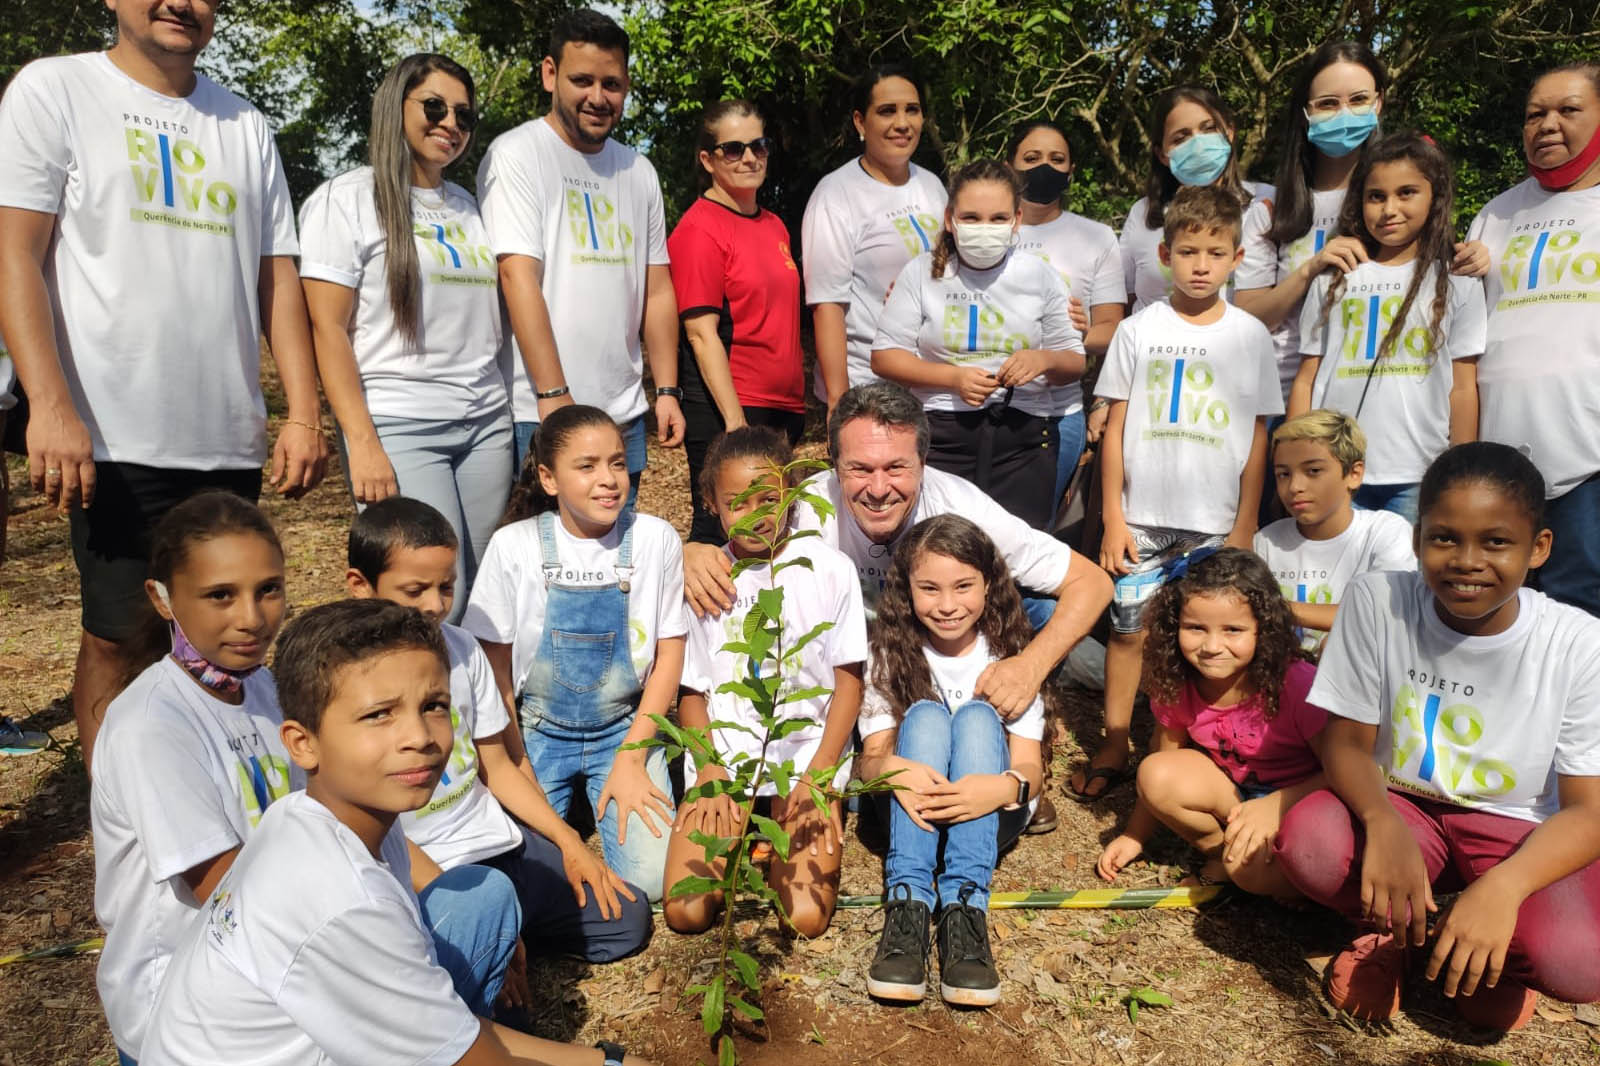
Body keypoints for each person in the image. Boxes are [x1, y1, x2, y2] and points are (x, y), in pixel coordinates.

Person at [0, 0, 329, 770]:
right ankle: (129, 830)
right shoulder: (55, 91)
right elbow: (15, 256)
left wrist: (304, 413)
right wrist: (48, 403)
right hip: (110, 434)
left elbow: (278, 277)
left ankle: (213, 798)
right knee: (120, 639)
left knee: (219, 637)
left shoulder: (244, 124)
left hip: (224, 434)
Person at [139, 599, 657, 1066]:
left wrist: (601, 1060)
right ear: (301, 744)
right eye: (378, 715)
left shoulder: (322, 819)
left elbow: (450, 1029)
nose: (420, 738)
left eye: (433, 705)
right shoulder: (343, 899)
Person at [1274, 443, 1600, 1030]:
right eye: (1444, 537)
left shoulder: (1579, 644)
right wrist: (1381, 821)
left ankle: (1490, 955)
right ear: (1418, 535)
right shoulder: (1378, 601)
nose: (1466, 560)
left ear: (1538, 549)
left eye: (1496, 541)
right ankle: (1388, 937)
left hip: (1514, 828)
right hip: (1404, 804)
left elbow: (1588, 812)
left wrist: (1504, 890)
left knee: (1578, 961)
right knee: (1313, 844)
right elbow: (1346, 744)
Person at [345, 497, 653, 962]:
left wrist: (567, 841)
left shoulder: (464, 650)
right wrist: (462, 905)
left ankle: (509, 934)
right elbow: (366, 829)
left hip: (495, 843)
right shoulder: (343, 680)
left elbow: (497, 766)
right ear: (361, 586)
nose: (435, 605)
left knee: (628, 919)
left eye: (446, 587)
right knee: (493, 1008)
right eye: (414, 590)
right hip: (423, 868)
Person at [1072, 185, 1282, 802]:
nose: (1200, 265)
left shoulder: (1249, 336)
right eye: (1188, 251)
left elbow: (1259, 436)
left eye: (1214, 254)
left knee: (1208, 637)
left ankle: (1193, 746)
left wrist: (1245, 524)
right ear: (1164, 253)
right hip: (1143, 520)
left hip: (1216, 521)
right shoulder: (1139, 331)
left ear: (1236, 258)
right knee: (1129, 629)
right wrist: (1113, 517)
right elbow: (1111, 429)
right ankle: (1115, 738)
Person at [300, 54, 512, 619]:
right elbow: (328, 329)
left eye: (464, 116)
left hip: (486, 422)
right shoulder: (343, 200)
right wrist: (362, 440)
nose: (451, 125)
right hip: (400, 422)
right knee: (426, 589)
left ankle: (476, 704)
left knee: (486, 585)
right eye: (435, 107)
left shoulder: (469, 207)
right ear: (396, 106)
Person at [89, 493, 298, 1063]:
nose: (251, 619)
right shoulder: (151, 724)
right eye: (220, 596)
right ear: (162, 599)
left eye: (268, 589)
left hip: (275, 967)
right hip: (191, 1016)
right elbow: (224, 890)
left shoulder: (264, 688)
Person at [464, 406, 683, 900]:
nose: (607, 480)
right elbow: (494, 676)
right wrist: (518, 767)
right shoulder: (512, 546)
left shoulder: (654, 539)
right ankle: (576, 800)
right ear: (548, 477)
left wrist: (632, 759)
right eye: (586, 467)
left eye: (616, 462)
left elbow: (670, 654)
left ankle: (605, 786)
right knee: (524, 876)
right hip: (537, 732)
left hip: (624, 729)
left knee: (651, 883)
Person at [663, 428, 867, 938]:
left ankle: (767, 833)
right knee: (686, 914)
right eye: (737, 503)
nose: (756, 514)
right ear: (711, 503)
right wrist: (708, 768)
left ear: (792, 493)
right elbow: (692, 694)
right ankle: (746, 827)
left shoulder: (830, 571)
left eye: (769, 499)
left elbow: (848, 683)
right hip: (728, 760)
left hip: (804, 759)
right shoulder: (706, 579)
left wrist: (819, 775)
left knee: (804, 919)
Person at [477, 8, 683, 494]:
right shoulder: (517, 155)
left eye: (611, 83)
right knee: (547, 560)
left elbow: (656, 290)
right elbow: (517, 278)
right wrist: (555, 396)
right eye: (581, 80)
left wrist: (666, 390)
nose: (597, 97)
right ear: (550, 74)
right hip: (541, 411)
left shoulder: (638, 170)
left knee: (615, 558)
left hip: (624, 414)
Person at [857, 515, 1046, 1008]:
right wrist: (894, 771)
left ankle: (966, 905)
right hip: (910, 809)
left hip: (986, 811)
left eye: (963, 586)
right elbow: (871, 761)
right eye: (930, 588)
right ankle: (909, 902)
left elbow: (1030, 769)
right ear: (907, 589)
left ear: (989, 585)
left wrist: (999, 789)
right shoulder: (888, 650)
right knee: (924, 717)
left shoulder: (1009, 653)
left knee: (980, 719)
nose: (947, 605)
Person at [1095, 548, 1327, 896]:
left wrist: (1275, 807)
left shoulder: (1298, 686)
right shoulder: (1177, 681)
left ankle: (1285, 878)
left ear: (1263, 629)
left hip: (1303, 802)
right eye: (1195, 628)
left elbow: (1346, 773)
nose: (1212, 646)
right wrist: (1134, 835)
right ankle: (1221, 851)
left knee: (1274, 877)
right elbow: (1164, 756)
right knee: (1156, 772)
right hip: (1234, 797)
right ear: (1174, 626)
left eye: (1233, 629)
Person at [871, 158, 1085, 530]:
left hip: (1025, 436)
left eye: (998, 218)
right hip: (941, 432)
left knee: (1015, 557)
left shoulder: (1040, 275)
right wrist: (952, 379)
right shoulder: (921, 272)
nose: (985, 229)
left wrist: (1043, 360)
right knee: (941, 548)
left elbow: (1074, 362)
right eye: (971, 218)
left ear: (1017, 220)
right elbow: (885, 357)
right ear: (949, 218)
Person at [1288, 132, 1484, 524]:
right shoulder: (1333, 280)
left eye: (1407, 193)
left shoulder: (1459, 281)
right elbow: (1306, 379)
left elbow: (1462, 387)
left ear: (1435, 197)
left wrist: (1458, 470)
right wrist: (1298, 460)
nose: (1389, 209)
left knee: (1410, 584)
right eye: (1376, 196)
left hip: (1420, 474)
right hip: (1336, 473)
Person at [1467, 62, 1600, 617]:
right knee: (1502, 616)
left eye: (1567, 110)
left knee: (1583, 611)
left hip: (1589, 463)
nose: (1546, 124)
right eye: (1534, 114)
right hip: (1502, 463)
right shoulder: (1495, 214)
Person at [668, 100, 805, 545]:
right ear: (707, 159)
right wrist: (735, 423)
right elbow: (700, 333)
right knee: (721, 533)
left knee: (775, 531)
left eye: (759, 145)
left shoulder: (775, 225)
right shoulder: (699, 229)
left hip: (780, 407)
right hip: (731, 408)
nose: (749, 157)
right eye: (733, 149)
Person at [1234, 41, 1390, 398]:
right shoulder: (1271, 210)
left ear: (1378, 103)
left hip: (1367, 395)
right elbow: (1249, 318)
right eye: (1328, 104)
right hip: (1281, 395)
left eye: (1358, 100)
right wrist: (1310, 269)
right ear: (1305, 112)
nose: (1344, 113)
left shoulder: (1396, 203)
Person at [802, 64, 948, 414]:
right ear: (859, 122)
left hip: (934, 383)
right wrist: (839, 399)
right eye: (887, 111)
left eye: (912, 110)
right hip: (867, 388)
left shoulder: (932, 185)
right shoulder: (836, 194)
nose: (902, 123)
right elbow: (828, 305)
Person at [1008, 120, 1127, 501]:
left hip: (1057, 416)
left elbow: (1113, 330)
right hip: (980, 407)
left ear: (1071, 171)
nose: (1044, 166)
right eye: (1031, 157)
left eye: (1057, 159)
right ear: (1010, 167)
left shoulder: (1097, 237)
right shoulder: (982, 228)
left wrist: (1081, 334)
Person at [1254, 411, 1415, 653]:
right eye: (1283, 474)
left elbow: (1386, 615)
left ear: (1354, 474)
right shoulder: (1266, 541)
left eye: (1313, 471)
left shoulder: (1387, 532)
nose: (1295, 487)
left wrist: (1278, 608)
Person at [1119, 87, 1269, 314]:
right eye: (1181, 137)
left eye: (1209, 129)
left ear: (1229, 132)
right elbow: (1124, 299)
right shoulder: (1141, 213)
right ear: (1162, 154)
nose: (1198, 144)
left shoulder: (1265, 202)